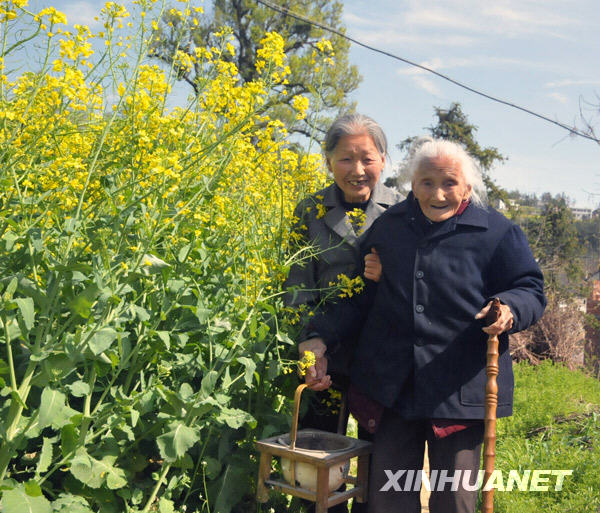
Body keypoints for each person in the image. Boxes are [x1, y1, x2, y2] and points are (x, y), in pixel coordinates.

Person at [299, 139, 546, 513]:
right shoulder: (390, 226)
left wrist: (509, 309)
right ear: (412, 184)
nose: (438, 194)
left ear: (467, 185)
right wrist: (319, 337)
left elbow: (530, 288)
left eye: (449, 182)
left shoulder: (496, 231)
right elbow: (359, 295)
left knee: (454, 500)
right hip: (393, 388)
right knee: (387, 499)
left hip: (459, 390)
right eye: (427, 182)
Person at [284, 113, 401, 513]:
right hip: (325, 355)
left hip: (381, 357)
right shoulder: (310, 210)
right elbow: (296, 286)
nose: (357, 170)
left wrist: (392, 274)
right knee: (322, 466)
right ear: (328, 161)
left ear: (383, 160)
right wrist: (308, 344)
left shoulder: (403, 211)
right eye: (346, 159)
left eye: (367, 158)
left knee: (377, 463)